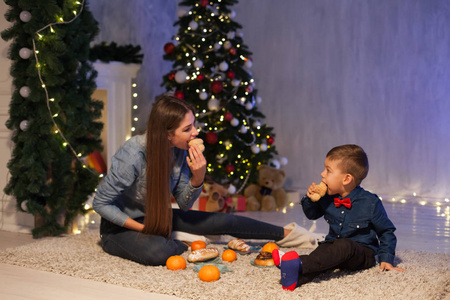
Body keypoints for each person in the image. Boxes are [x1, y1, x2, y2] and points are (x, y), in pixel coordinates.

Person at [93, 95, 319, 266]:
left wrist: (198, 176)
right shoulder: (133, 154)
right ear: (167, 133)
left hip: (159, 217)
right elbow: (100, 203)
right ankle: (182, 240)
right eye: (188, 128)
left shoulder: (178, 149)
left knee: (224, 221)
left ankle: (288, 234)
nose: (196, 133)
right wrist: (143, 228)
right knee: (157, 252)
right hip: (119, 228)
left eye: (194, 125)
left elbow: (184, 204)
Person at [272, 144, 405, 291]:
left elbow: (386, 232)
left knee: (344, 245)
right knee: (321, 255)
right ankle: (295, 279)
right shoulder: (327, 197)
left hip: (361, 253)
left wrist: (386, 259)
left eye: (328, 171)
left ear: (346, 179)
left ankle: (297, 262)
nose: (322, 174)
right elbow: (311, 215)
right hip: (334, 246)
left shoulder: (370, 203)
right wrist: (310, 200)